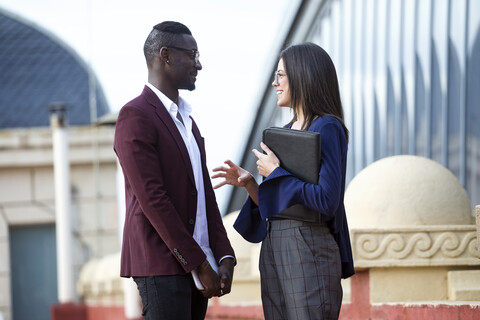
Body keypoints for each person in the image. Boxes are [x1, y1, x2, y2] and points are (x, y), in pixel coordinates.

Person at [212, 42, 354, 320]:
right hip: (275, 243)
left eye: (281, 75)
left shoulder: (326, 126)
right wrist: (252, 184)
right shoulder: (285, 132)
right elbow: (280, 205)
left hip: (309, 243)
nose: (274, 82)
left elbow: (327, 200)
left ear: (302, 76)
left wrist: (276, 174)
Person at [114, 21, 235, 320]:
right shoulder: (135, 116)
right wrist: (198, 263)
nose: (199, 64)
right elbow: (152, 199)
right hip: (162, 266)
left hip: (197, 267)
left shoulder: (188, 122)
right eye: (192, 55)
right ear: (165, 55)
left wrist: (224, 254)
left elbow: (204, 194)